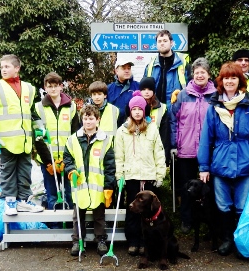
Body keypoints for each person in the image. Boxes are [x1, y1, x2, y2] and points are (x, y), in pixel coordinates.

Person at [197, 62, 249, 257]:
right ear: (221, 81)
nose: (230, 81)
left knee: (242, 205)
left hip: (246, 163)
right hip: (220, 163)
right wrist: (204, 166)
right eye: (226, 78)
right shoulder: (214, 106)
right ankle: (227, 238)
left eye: (234, 78)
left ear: (240, 81)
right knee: (222, 205)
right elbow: (206, 138)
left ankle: (241, 239)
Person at [0, 54, 44, 216]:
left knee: (25, 172)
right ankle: (10, 202)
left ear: (17, 68)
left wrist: (40, 127)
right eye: (2, 67)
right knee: (8, 173)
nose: (3, 70)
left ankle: (24, 201)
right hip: (6, 141)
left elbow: (31, 112)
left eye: (7, 67)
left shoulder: (29, 88)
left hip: (25, 141)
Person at [114, 92, 166, 256]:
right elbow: (119, 156)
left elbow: (159, 152)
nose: (137, 112)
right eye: (134, 109)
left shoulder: (152, 129)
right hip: (131, 177)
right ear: (130, 111)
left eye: (140, 109)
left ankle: (146, 242)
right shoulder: (122, 131)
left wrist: (160, 174)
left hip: (149, 176)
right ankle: (133, 241)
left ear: (145, 111)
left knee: (149, 213)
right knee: (132, 211)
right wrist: (119, 175)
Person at [170, 57, 217, 234]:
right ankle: (187, 220)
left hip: (210, 149)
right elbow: (173, 120)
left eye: (202, 72)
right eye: (196, 72)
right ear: (192, 75)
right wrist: (174, 144)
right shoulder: (182, 95)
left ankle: (210, 222)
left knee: (209, 187)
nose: (199, 75)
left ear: (208, 74)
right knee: (186, 187)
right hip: (186, 149)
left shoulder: (216, 95)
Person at [63, 104, 116, 257]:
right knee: (77, 216)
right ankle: (77, 241)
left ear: (97, 120)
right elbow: (67, 158)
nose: (88, 122)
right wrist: (71, 170)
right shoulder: (73, 139)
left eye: (91, 118)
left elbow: (110, 166)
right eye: (85, 119)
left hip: (98, 188)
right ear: (82, 120)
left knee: (99, 216)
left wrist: (108, 187)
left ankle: (101, 241)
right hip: (79, 186)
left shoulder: (106, 140)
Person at [34, 72, 79, 220]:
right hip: (48, 161)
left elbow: (75, 135)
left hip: (67, 160)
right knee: (52, 194)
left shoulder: (71, 107)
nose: (53, 89)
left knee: (69, 194)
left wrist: (67, 159)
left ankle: (71, 228)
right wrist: (48, 162)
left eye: (56, 86)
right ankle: (55, 227)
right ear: (45, 88)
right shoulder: (38, 108)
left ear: (61, 86)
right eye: (49, 86)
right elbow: (38, 137)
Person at [144, 29, 191, 110]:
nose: (162, 43)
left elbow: (191, 88)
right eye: (159, 41)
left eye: (165, 41)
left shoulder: (183, 63)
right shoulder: (150, 65)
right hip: (155, 111)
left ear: (171, 43)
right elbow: (143, 89)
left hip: (177, 111)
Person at [138, 77, 170, 162]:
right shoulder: (134, 106)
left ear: (154, 91)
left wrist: (164, 157)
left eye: (149, 89)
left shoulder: (162, 108)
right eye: (144, 89)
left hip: (155, 148)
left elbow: (165, 134)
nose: (147, 92)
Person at [107, 58, 139, 127]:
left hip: (133, 126)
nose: (127, 71)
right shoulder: (109, 89)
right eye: (124, 68)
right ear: (116, 71)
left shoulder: (138, 86)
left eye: (129, 68)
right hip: (113, 126)